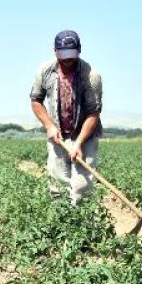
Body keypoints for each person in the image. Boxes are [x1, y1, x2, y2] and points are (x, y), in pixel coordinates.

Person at [30, 30, 103, 204]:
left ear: (79, 50)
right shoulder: (45, 70)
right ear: (55, 50)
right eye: (62, 54)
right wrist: (49, 125)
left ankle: (81, 225)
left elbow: (93, 113)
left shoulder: (91, 76)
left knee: (81, 187)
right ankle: (60, 224)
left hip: (85, 135)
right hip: (57, 134)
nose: (67, 59)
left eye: (71, 54)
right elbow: (35, 100)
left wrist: (78, 143)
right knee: (58, 186)